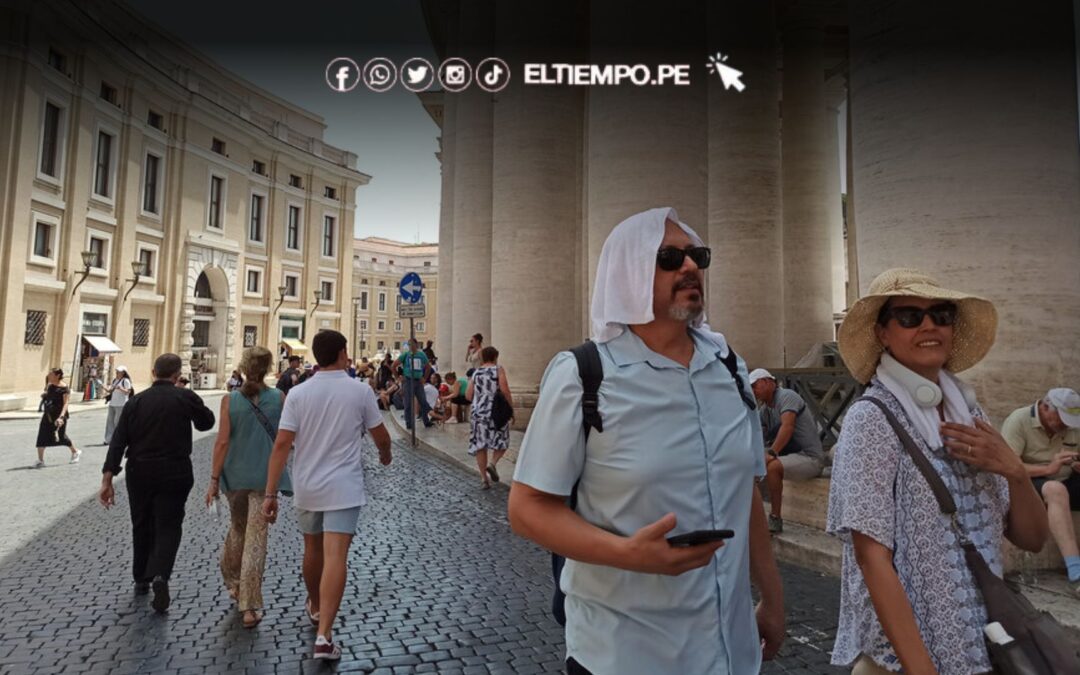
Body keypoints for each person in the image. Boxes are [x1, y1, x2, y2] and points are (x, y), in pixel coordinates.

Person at [508, 207, 785, 674]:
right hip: (625, 654)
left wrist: (773, 601)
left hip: (733, 653)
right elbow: (527, 507)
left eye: (697, 255)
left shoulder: (729, 366)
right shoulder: (582, 374)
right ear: (628, 272)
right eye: (669, 258)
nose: (690, 266)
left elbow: (745, 494)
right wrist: (627, 554)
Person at [827, 268, 1048, 674]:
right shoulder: (871, 419)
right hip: (906, 663)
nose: (929, 326)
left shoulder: (971, 416)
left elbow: (1031, 538)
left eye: (941, 314)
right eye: (909, 316)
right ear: (882, 334)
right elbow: (871, 556)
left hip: (984, 649)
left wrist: (1015, 472)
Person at [262, 330, 393, 661]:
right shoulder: (359, 390)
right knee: (336, 557)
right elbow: (381, 435)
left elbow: (282, 444)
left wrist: (270, 492)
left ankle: (316, 605)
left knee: (312, 549)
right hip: (344, 486)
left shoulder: (298, 393)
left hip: (307, 484)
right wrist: (385, 455)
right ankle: (324, 636)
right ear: (342, 353)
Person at [99, 353, 216, 613]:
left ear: (153, 372)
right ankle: (161, 573)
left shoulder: (136, 401)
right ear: (177, 375)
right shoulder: (184, 397)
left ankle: (141, 577)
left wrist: (108, 478)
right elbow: (207, 422)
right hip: (175, 469)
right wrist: (189, 395)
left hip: (140, 470)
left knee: (141, 522)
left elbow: (119, 441)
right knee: (169, 524)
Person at [205, 347, 293, 628]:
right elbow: (284, 440)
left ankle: (235, 583)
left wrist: (214, 479)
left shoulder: (229, 400)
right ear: (268, 369)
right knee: (255, 538)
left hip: (235, 477)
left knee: (238, 528)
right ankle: (249, 605)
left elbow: (221, 443)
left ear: (243, 368)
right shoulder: (278, 398)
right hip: (264, 478)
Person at [1001, 387, 1080, 594]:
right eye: (1060, 419)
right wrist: (1048, 468)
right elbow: (1008, 466)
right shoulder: (1018, 420)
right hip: (1028, 483)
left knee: (1059, 487)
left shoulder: (1071, 426)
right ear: (1045, 407)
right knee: (1055, 489)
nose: (1064, 426)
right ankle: (1076, 571)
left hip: (1066, 478)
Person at [749, 368, 825, 533]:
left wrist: (771, 454)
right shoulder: (765, 410)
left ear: (768, 382)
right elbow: (758, 437)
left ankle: (775, 518)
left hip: (811, 458)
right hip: (793, 457)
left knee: (772, 467)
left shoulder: (787, 396)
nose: (753, 391)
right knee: (751, 466)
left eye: (755, 386)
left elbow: (787, 427)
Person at [466, 346, 513, 489]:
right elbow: (505, 390)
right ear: (495, 357)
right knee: (503, 440)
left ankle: (484, 479)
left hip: (478, 414)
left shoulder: (476, 373)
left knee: (481, 446)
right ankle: (492, 464)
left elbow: (468, 395)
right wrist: (511, 409)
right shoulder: (498, 369)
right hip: (495, 412)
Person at [35, 368, 81, 467]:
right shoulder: (50, 385)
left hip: (59, 416)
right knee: (42, 435)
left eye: (51, 375)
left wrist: (61, 417)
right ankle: (40, 460)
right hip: (48, 415)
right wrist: (45, 395)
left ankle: (75, 452)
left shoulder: (64, 388)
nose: (49, 376)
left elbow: (65, 404)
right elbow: (49, 395)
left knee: (61, 437)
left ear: (57, 375)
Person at [395, 338, 433, 430]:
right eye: (408, 344)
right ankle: (409, 423)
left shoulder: (421, 354)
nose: (410, 346)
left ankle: (426, 420)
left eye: (411, 344)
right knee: (408, 403)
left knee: (423, 401)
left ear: (416, 344)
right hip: (408, 380)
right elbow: (394, 365)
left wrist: (424, 378)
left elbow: (428, 367)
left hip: (418, 381)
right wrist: (398, 377)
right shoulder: (405, 355)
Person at [104, 366, 133, 445]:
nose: (117, 373)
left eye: (119, 372)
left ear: (123, 373)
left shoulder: (126, 381)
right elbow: (110, 390)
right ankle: (108, 439)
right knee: (110, 422)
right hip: (113, 403)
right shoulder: (115, 380)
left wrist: (120, 388)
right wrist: (104, 387)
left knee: (118, 422)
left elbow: (128, 392)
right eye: (116, 371)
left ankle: (119, 439)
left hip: (121, 404)